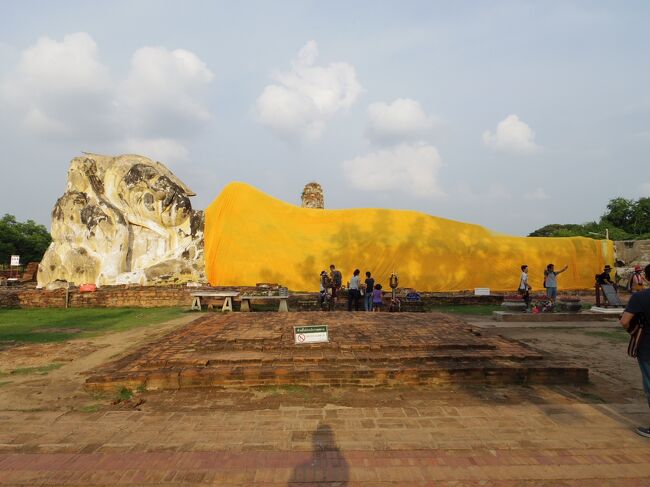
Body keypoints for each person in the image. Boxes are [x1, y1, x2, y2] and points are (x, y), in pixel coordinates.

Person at [619, 264, 650, 438]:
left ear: (646, 277)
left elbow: (624, 321)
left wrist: (634, 331)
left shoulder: (640, 297)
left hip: (647, 348)